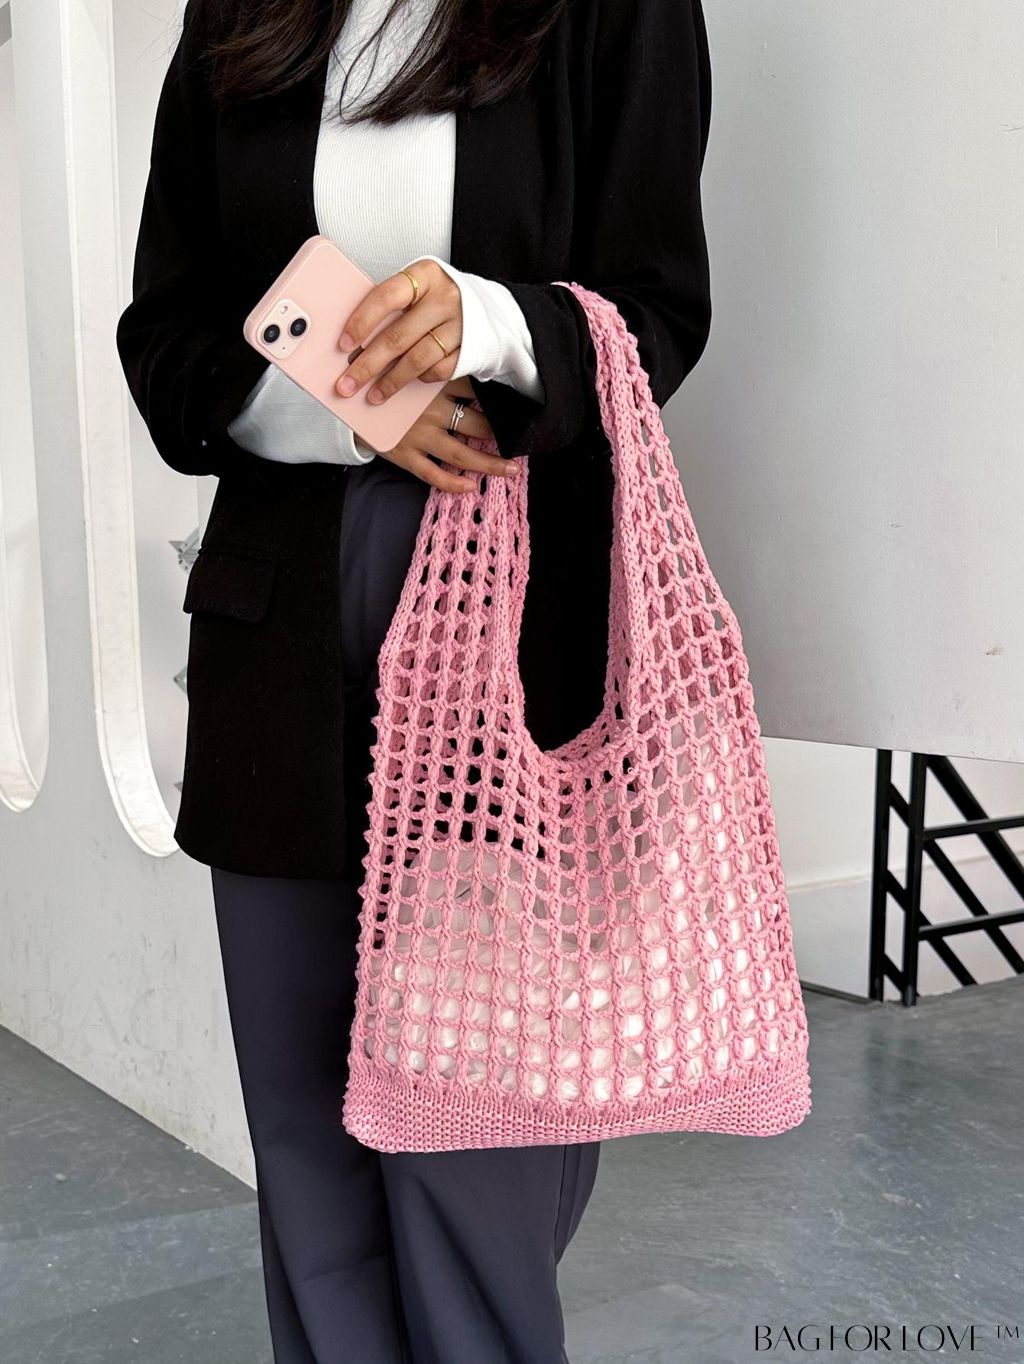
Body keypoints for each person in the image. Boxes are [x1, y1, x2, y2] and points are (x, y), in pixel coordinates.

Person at [116, 0, 712, 1357]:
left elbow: (660, 311)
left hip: (512, 626)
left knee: (476, 1137)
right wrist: (340, 396)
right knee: (304, 1134)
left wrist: (484, 321)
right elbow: (166, 335)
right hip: (281, 622)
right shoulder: (243, 11)